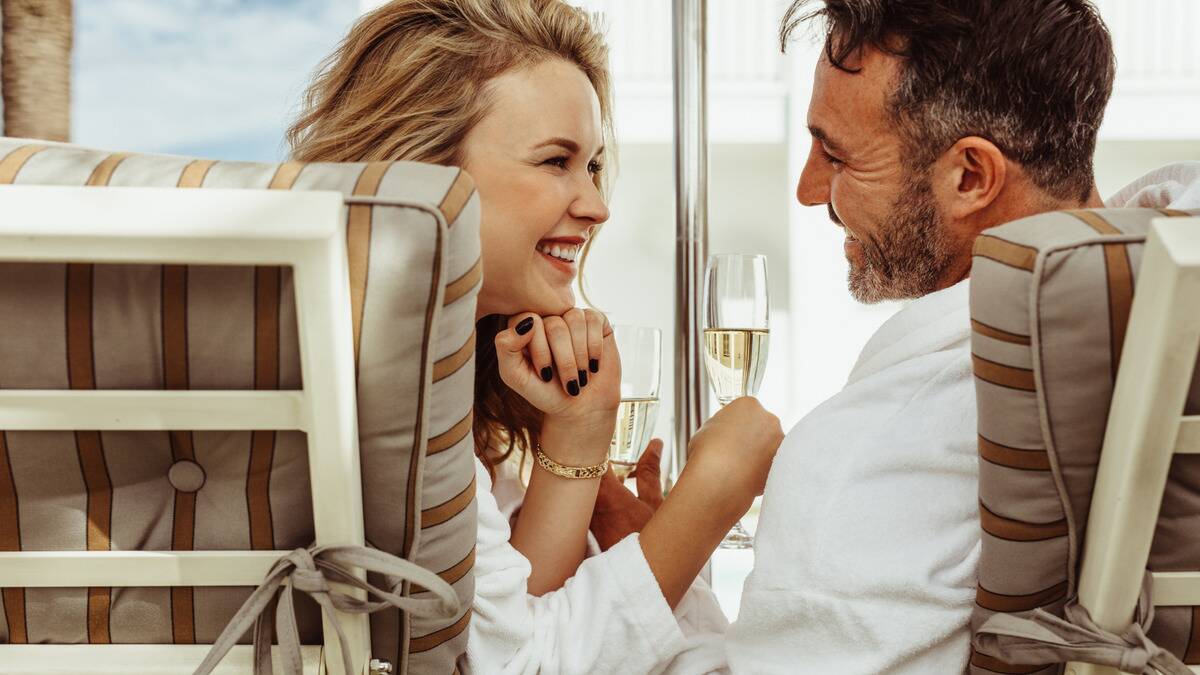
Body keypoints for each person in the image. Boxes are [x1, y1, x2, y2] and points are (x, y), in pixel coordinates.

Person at [643, 0, 1186, 672]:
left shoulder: (866, 455)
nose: (809, 190)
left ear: (970, 176)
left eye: (836, 155)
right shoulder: (1159, 304)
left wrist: (651, 578)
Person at [288, 1, 780, 673]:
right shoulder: (380, 385)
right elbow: (530, 666)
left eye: (596, 166)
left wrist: (577, 437)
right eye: (556, 161)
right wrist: (713, 493)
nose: (597, 205)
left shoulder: (435, 367)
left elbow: (515, 617)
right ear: (426, 171)